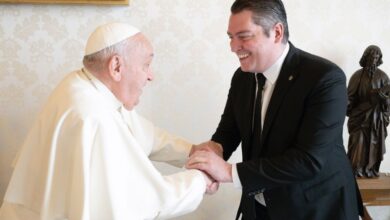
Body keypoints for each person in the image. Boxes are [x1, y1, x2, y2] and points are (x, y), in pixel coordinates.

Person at [0, 22, 217, 220]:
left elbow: (143, 134)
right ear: (116, 67)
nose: (150, 76)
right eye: (146, 65)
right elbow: (142, 199)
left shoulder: (83, 85)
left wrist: (192, 151)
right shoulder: (93, 117)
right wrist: (199, 180)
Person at [186, 0, 364, 220]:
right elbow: (229, 131)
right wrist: (214, 151)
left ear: (277, 32)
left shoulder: (325, 78)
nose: (233, 47)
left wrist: (229, 172)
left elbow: (308, 160)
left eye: (244, 36)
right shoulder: (242, 77)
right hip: (260, 207)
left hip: (317, 209)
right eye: (231, 37)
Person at [347, 45, 390, 178]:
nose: (374, 59)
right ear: (366, 57)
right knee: (358, 144)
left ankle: (371, 170)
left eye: (377, 57)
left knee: (374, 146)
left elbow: (388, 102)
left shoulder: (383, 77)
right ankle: (356, 171)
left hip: (377, 120)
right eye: (371, 56)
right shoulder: (357, 76)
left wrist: (384, 100)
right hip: (360, 117)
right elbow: (349, 98)